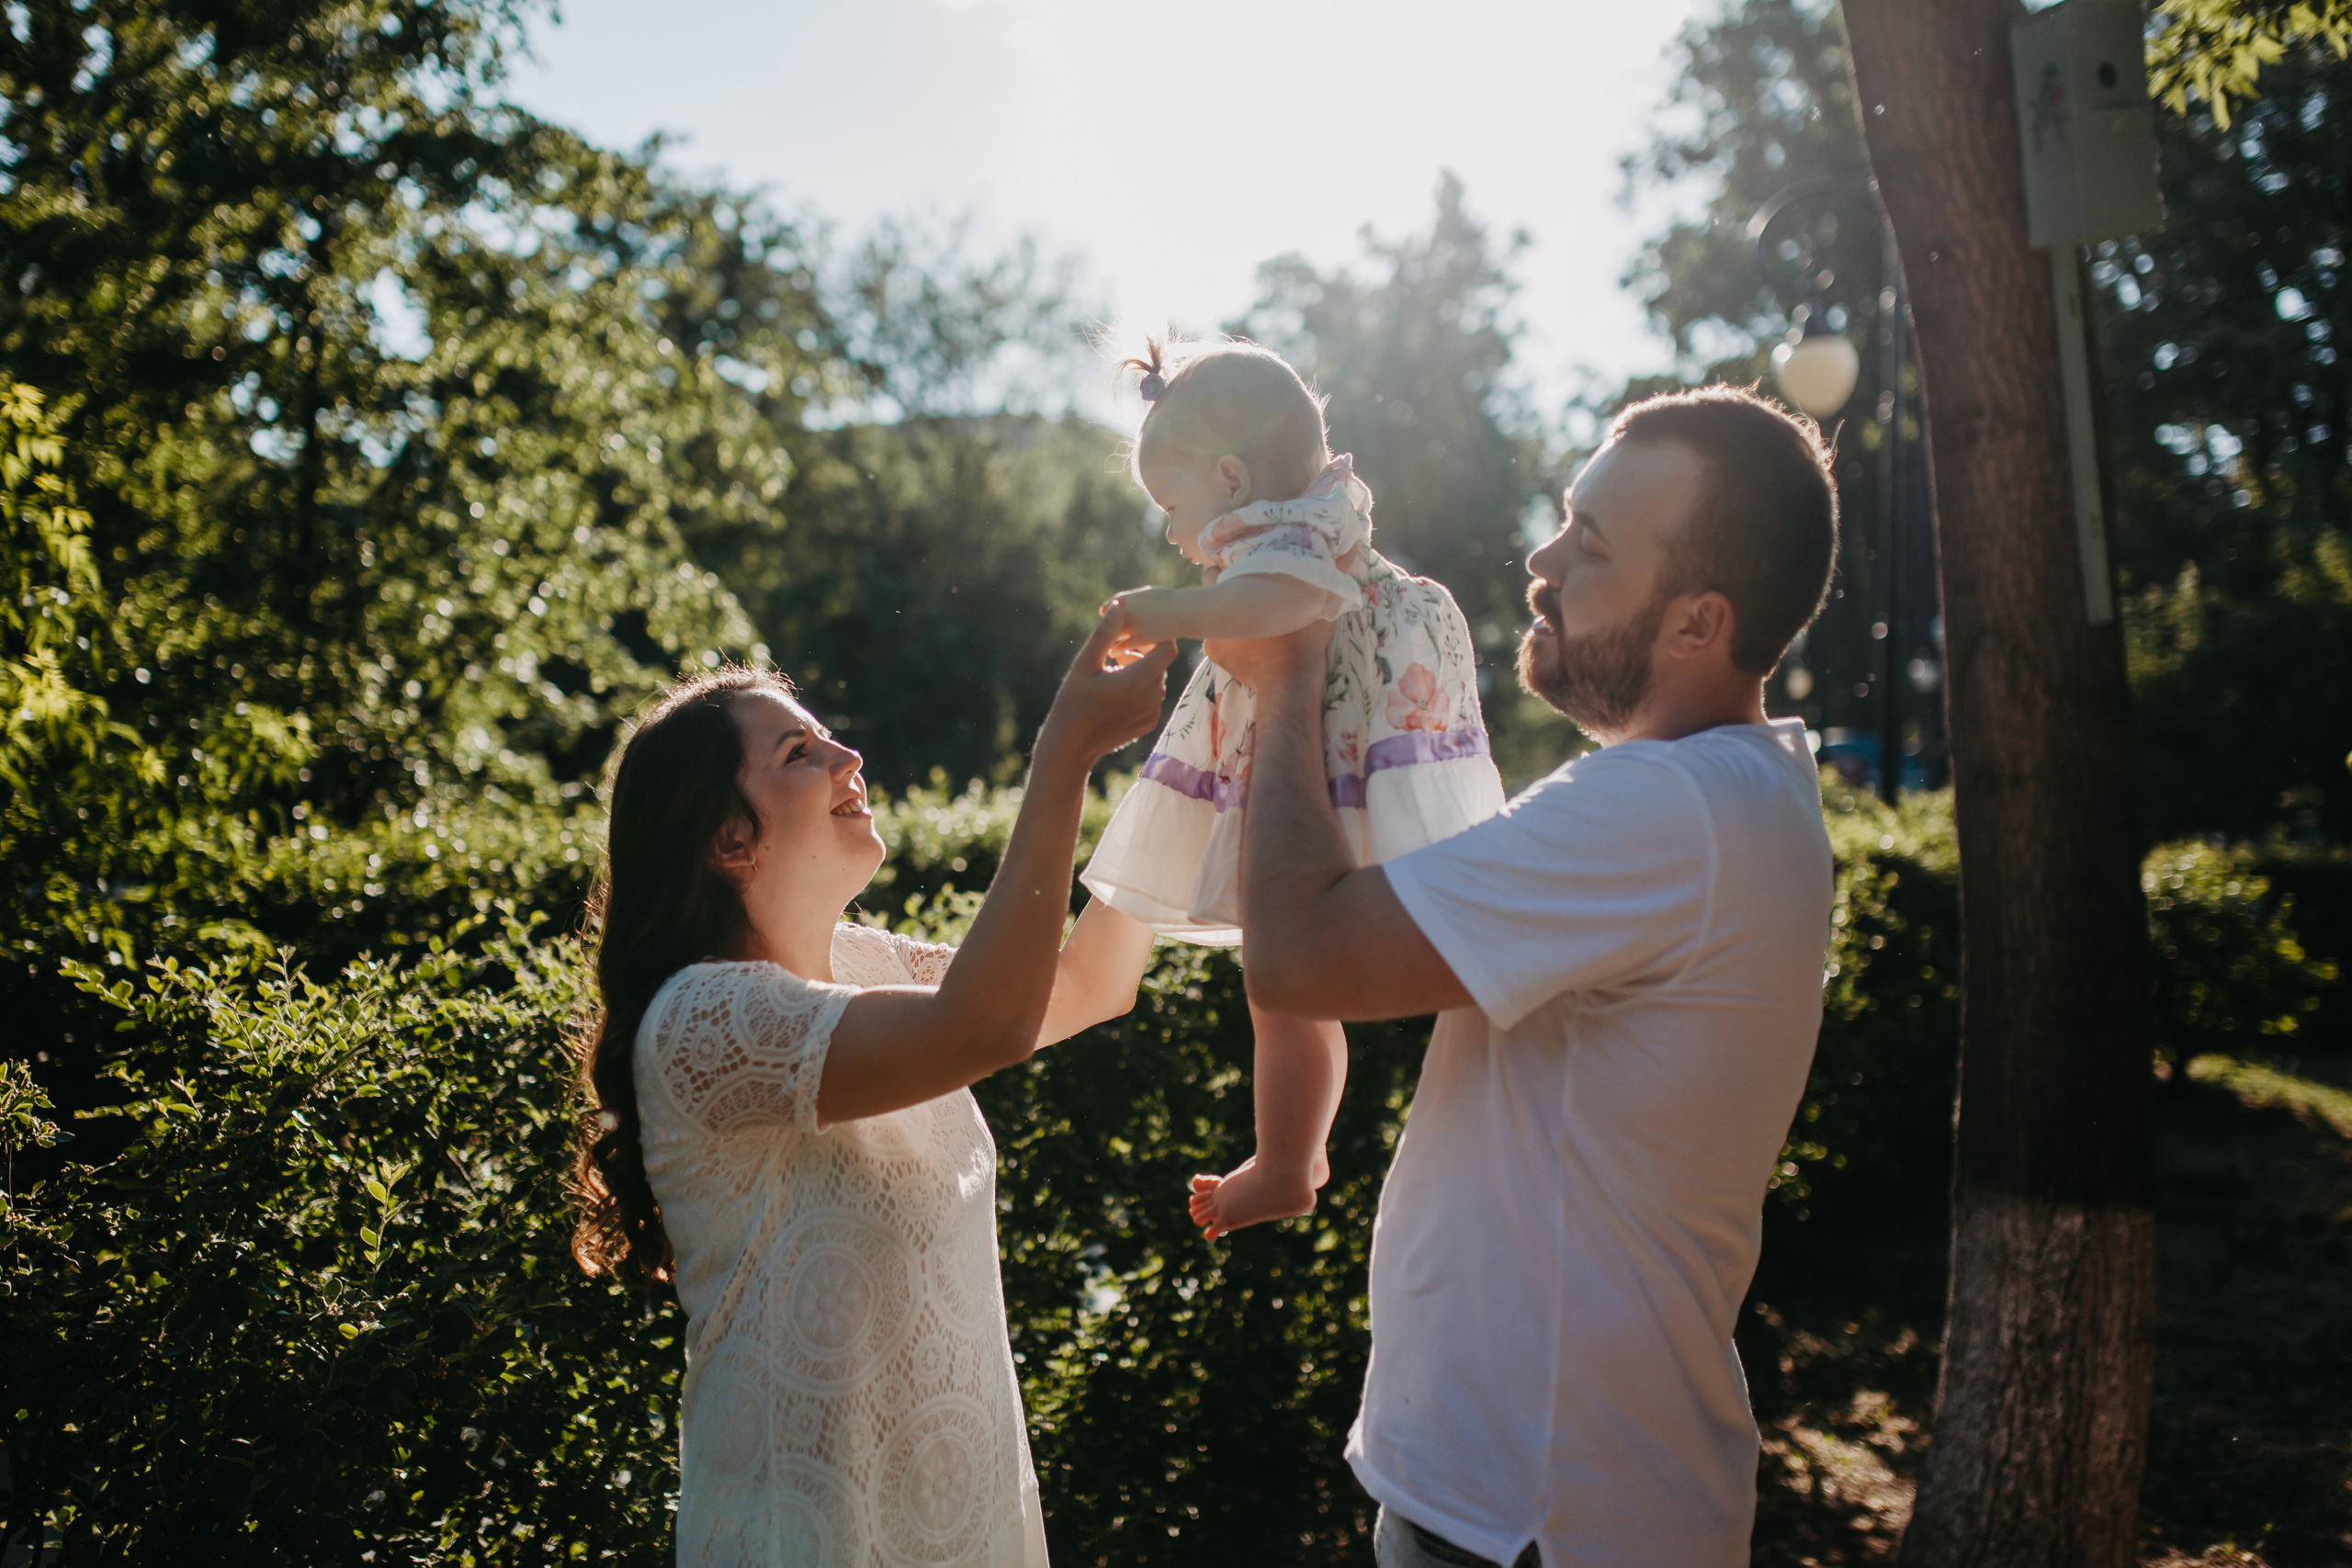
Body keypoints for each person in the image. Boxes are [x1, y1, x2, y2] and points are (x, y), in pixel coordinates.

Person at [1210, 385, 1841, 1567]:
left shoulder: (1665, 808)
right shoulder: (1729, 793)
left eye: (1590, 545)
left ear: (1699, 624)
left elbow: (1298, 958)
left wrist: (1288, 678)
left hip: (1534, 1518)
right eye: (1565, 518)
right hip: (1548, 1497)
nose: (1542, 559)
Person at [569, 618, 1173, 1566]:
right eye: (799, 752)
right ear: (730, 840)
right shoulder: (700, 1022)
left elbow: (1089, 987)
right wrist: (1063, 750)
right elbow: (986, 1025)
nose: (850, 754)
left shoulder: (865, 959)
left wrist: (1194, 762)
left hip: (962, 1522)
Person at [1082, 335, 1506, 1239]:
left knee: (1279, 981)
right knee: (1280, 980)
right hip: (1338, 739)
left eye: (1171, 505)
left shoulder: (1284, 540)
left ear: (1231, 478)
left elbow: (1279, 608)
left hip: (1327, 745)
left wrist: (1165, 608)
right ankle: (1294, 1153)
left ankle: (1285, 1161)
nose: (1169, 532)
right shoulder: (1302, 523)